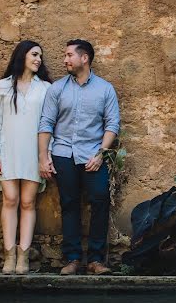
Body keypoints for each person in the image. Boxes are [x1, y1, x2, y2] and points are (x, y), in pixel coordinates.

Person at [38, 39, 121, 275]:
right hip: (63, 153)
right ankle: (73, 259)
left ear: (84, 58)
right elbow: (46, 123)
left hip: (92, 155)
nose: (65, 60)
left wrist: (100, 153)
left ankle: (96, 260)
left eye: (69, 55)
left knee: (100, 200)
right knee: (69, 204)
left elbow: (112, 124)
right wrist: (43, 157)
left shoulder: (105, 89)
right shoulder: (57, 89)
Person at [0, 40, 53, 274]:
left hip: (33, 152)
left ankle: (23, 256)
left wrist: (45, 155)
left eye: (40, 56)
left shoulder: (45, 88)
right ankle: (9, 255)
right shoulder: (2, 86)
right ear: (22, 56)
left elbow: (48, 124)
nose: (38, 59)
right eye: (34, 54)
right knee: (10, 199)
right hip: (8, 151)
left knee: (28, 202)